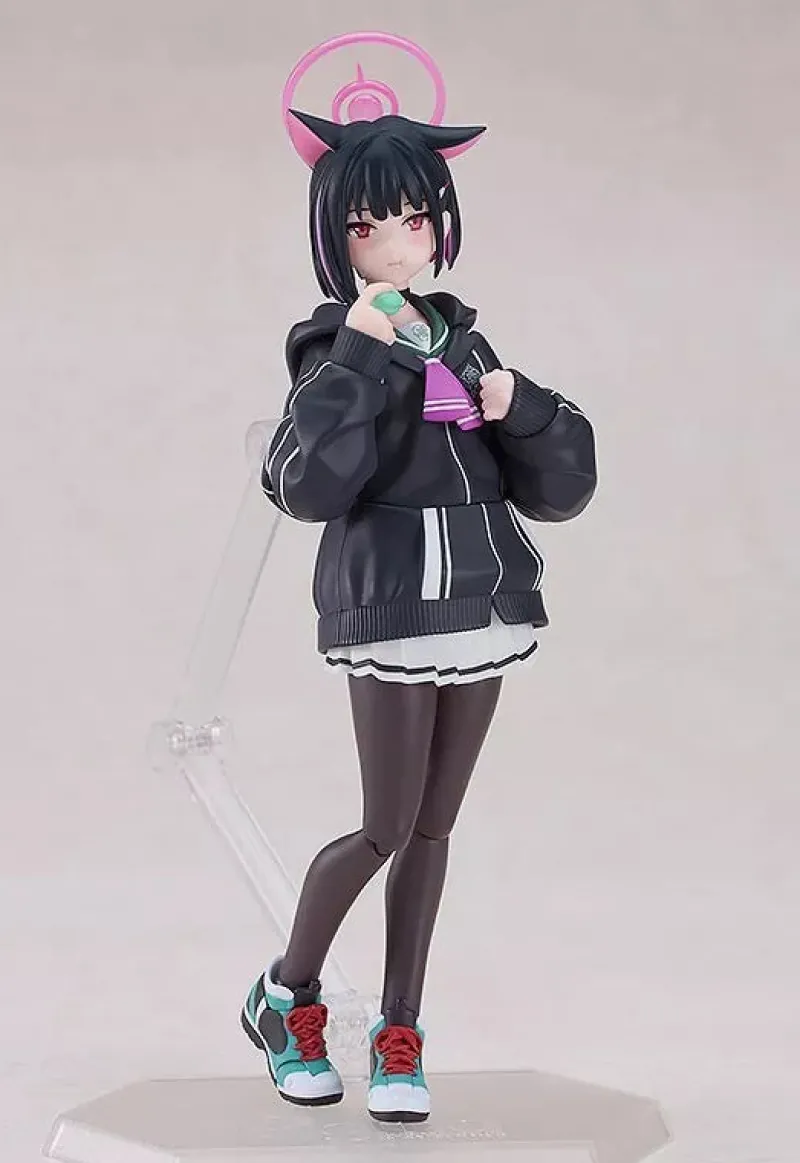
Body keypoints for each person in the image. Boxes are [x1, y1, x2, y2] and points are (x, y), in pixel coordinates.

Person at [240, 98, 597, 1124]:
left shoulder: (468, 344)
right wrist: (358, 357)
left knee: (433, 829)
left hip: (481, 596)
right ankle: (286, 994)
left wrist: (522, 408)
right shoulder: (331, 346)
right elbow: (307, 484)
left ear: (438, 221)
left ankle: (400, 1030)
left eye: (411, 219)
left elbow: (560, 490)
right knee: (383, 825)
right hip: (393, 602)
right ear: (335, 237)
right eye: (367, 226)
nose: (395, 244)